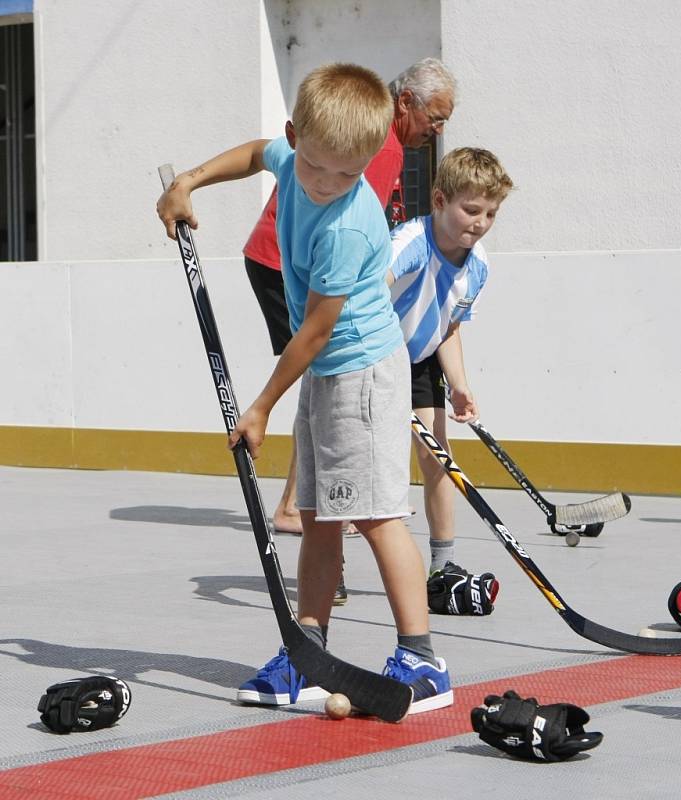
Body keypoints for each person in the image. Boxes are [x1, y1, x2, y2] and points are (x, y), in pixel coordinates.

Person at [157, 63, 453, 714]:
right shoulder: (293, 161)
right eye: (317, 167)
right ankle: (307, 653)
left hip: (362, 375)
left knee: (375, 516)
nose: (329, 184)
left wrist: (259, 407)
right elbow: (254, 154)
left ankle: (423, 659)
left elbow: (316, 331)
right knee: (319, 519)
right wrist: (188, 184)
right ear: (297, 138)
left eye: (349, 175)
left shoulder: (350, 224)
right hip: (327, 375)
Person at [243, 58, 457, 549]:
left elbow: (263, 154)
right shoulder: (379, 150)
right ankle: (299, 503)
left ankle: (301, 503)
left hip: (281, 261)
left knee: (316, 368)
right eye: (435, 117)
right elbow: (357, 229)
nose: (438, 130)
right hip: (290, 266)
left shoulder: (358, 137)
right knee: (317, 364)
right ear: (406, 103)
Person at [388, 147, 514, 588]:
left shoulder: (478, 266)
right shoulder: (408, 244)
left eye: (491, 214)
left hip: (420, 360)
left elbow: (449, 326)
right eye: (471, 209)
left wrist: (459, 385)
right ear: (440, 201)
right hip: (374, 358)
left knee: (437, 457)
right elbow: (361, 298)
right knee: (372, 466)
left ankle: (443, 564)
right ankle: (336, 565)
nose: (480, 222)